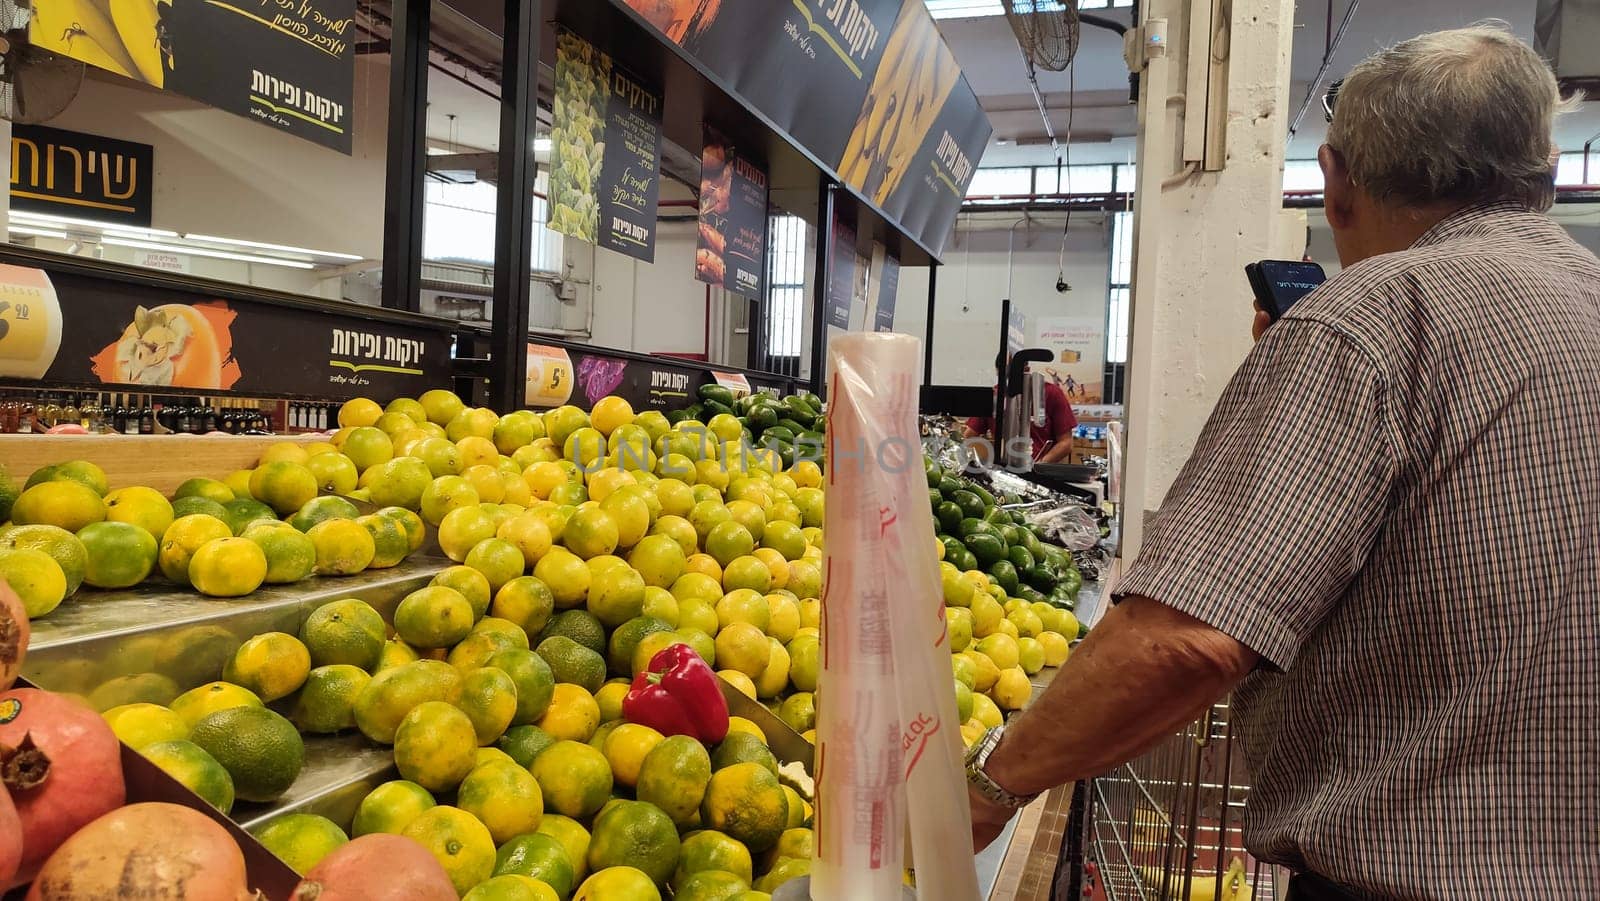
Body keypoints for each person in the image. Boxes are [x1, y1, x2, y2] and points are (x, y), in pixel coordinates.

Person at [964, 24, 1599, 899]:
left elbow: (1187, 639)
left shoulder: (1371, 318)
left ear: (1336, 184)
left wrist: (988, 786)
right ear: (1546, 175)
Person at [963, 379, 1079, 464]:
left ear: (1027, 369)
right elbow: (969, 436)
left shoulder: (1051, 392)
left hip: (1039, 471)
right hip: (1001, 471)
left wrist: (1038, 466)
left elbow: (1066, 443)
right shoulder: (994, 395)